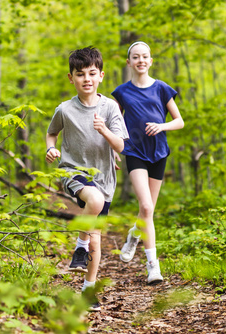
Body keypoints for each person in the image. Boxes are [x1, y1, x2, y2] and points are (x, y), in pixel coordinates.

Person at [46, 46, 129, 310]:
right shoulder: (64, 109)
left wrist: (104, 130)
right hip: (74, 172)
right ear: (71, 78)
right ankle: (79, 245)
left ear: (101, 75)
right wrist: (50, 148)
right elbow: (51, 133)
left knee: (97, 236)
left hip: (104, 176)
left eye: (92, 73)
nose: (87, 79)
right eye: (80, 74)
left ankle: (88, 289)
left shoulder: (110, 108)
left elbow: (120, 147)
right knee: (93, 199)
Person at [112, 41, 184, 285]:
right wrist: (114, 152)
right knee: (146, 206)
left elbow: (179, 121)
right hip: (134, 151)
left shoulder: (162, 88)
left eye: (145, 56)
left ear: (150, 61)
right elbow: (116, 124)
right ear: (129, 62)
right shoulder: (122, 92)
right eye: (135, 57)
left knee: (148, 210)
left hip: (159, 152)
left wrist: (162, 125)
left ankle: (134, 233)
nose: (140, 60)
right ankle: (153, 266)